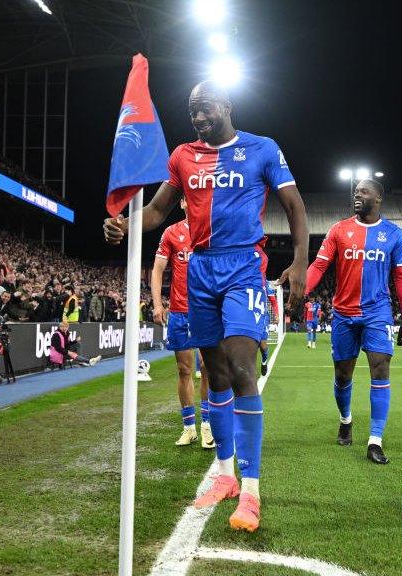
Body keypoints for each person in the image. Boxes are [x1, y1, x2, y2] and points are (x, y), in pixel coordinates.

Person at [104, 80, 308, 532]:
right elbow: (159, 209)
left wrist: (300, 262)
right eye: (192, 109)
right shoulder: (182, 156)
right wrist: (127, 224)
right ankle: (225, 476)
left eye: (205, 107)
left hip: (242, 269)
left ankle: (252, 492)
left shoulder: (262, 148)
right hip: (199, 272)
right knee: (213, 373)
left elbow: (294, 205)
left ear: (227, 105)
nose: (198, 116)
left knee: (240, 368)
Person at [304, 178, 402, 466]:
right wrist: (300, 289)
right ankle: (346, 419)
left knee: (381, 369)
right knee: (343, 375)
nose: (357, 195)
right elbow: (319, 266)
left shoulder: (393, 233)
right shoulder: (339, 229)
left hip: (377, 313)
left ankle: (375, 441)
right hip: (343, 313)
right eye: (355, 192)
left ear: (378, 198)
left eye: (363, 192)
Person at [151, 198, 214, 450]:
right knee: (184, 370)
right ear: (182, 203)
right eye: (188, 197)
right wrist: (157, 304)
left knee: (209, 369)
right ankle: (189, 428)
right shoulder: (171, 232)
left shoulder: (213, 230)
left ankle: (208, 426)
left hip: (207, 310)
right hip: (179, 312)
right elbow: (157, 270)